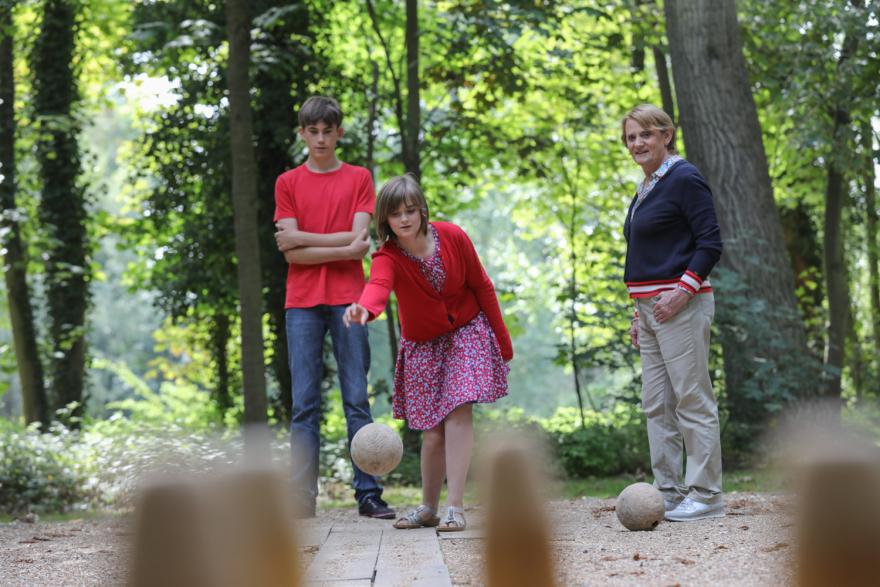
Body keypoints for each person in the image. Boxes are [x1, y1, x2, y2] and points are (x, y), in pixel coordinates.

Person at [343, 174, 512, 532]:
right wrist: (364, 309)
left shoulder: (452, 236)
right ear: (385, 220)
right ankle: (428, 507)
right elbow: (378, 286)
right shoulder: (388, 256)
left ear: (422, 210)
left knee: (458, 412)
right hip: (422, 344)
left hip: (466, 331)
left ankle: (455, 507)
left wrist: (502, 342)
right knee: (432, 430)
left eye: (410, 210)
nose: (404, 219)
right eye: (395, 214)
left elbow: (482, 285)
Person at [273, 96, 393, 520]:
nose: (321, 139)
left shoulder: (360, 178)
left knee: (357, 399)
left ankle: (369, 494)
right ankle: (301, 498)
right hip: (301, 304)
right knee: (304, 405)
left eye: (328, 131)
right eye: (313, 131)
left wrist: (304, 239)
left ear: (339, 133)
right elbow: (291, 255)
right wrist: (343, 245)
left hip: (350, 301)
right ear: (303, 133)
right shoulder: (287, 182)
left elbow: (357, 243)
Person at [621, 104, 724, 522]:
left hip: (680, 305)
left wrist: (682, 292)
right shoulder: (647, 187)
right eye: (631, 137)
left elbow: (710, 243)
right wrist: (638, 314)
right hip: (649, 311)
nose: (637, 143)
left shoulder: (684, 178)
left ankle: (707, 495)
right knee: (657, 404)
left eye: (645, 134)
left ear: (666, 135)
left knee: (692, 399)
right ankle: (667, 492)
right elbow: (646, 255)